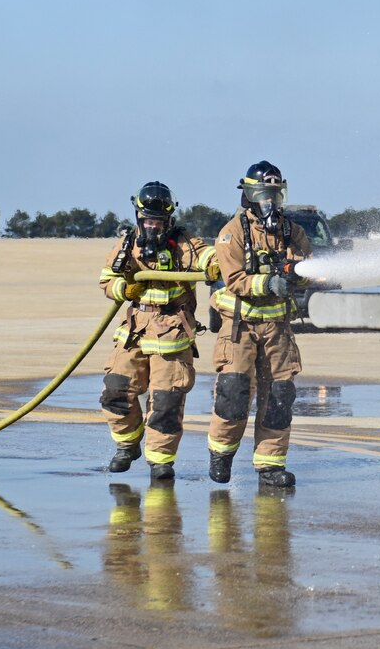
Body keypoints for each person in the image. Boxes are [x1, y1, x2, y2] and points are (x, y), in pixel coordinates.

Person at [98, 182, 217, 481]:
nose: (153, 227)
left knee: (166, 402)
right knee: (115, 390)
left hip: (172, 334)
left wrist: (216, 266)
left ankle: (161, 461)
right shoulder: (128, 243)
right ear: (139, 218)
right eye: (148, 220)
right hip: (136, 330)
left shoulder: (185, 242)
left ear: (169, 221)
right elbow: (106, 279)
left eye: (159, 222)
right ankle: (127, 445)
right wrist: (123, 287)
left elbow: (206, 258)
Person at [207, 162, 312, 488]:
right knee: (233, 395)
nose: (271, 202)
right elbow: (235, 280)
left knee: (280, 397)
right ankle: (221, 453)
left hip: (278, 330)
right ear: (251, 196)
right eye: (264, 195)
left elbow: (306, 264)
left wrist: (296, 272)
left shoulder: (291, 231)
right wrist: (267, 284)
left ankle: (270, 465)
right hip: (241, 328)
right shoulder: (232, 233)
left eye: (275, 194)